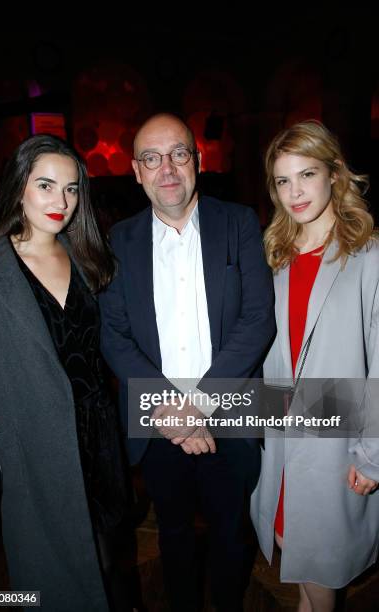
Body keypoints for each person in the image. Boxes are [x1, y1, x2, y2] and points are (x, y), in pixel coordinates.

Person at [99, 113, 275, 612]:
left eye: (178, 153)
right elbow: (114, 334)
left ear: (196, 160)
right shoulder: (118, 241)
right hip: (157, 425)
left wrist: (195, 406)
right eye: (152, 159)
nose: (168, 169)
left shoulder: (239, 223)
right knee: (172, 535)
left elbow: (258, 320)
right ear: (136, 171)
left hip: (230, 415)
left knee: (230, 536)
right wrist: (169, 409)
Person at [0, 134, 130, 612]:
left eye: (71, 188)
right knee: (41, 585)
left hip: (96, 441)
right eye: (45, 185)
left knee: (105, 566)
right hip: (29, 449)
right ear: (19, 186)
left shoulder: (87, 257)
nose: (61, 201)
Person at [250, 120, 379, 612]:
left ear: (334, 174)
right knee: (298, 560)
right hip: (283, 438)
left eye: (307, 174)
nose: (295, 192)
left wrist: (373, 454)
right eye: (283, 181)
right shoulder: (275, 254)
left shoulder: (368, 254)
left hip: (337, 443)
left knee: (321, 573)